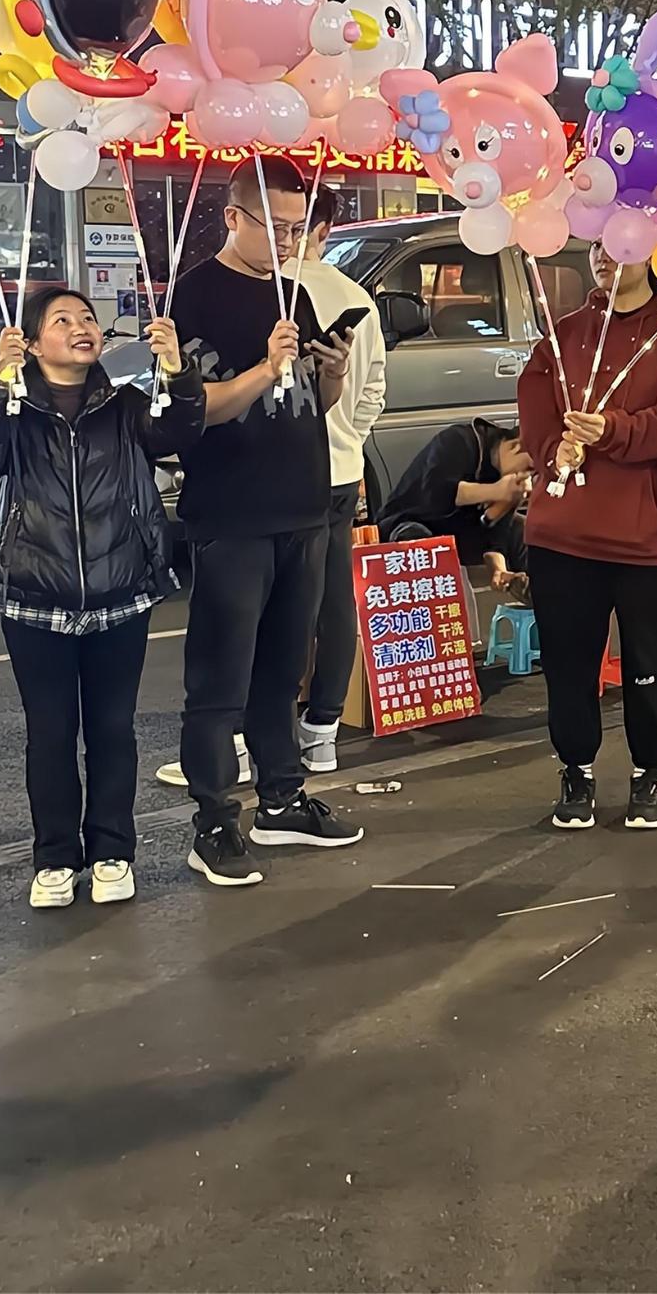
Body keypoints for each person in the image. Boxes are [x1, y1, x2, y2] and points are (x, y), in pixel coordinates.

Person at [0, 287, 204, 909]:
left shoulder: (125, 405)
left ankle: (113, 851)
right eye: (61, 320)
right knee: (51, 734)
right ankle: (56, 858)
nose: (81, 327)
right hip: (34, 595)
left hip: (120, 593)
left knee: (114, 730)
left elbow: (180, 430)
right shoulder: (13, 406)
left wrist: (178, 371)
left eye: (87, 317)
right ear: (33, 343)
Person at [169, 156, 362, 889]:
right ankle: (214, 821)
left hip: (305, 507)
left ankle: (281, 799)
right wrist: (264, 367)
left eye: (296, 229)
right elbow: (195, 411)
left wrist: (331, 367)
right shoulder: (193, 296)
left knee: (282, 672)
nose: (287, 242)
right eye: (275, 227)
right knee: (220, 680)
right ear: (232, 217)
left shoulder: (294, 293)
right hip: (234, 513)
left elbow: (316, 400)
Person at [519, 241, 657, 834]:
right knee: (568, 665)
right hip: (563, 533)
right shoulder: (566, 332)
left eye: (619, 245)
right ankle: (575, 771)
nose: (604, 256)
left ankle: (649, 772)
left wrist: (611, 430)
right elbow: (535, 404)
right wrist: (553, 450)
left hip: (650, 540)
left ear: (652, 253)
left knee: (651, 665)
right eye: (598, 245)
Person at [294, 189, 388, 776]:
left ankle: (254, 735)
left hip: (283, 473)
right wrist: (348, 436)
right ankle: (323, 730)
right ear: (327, 230)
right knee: (334, 601)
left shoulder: (271, 289)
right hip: (342, 471)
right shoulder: (358, 298)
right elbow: (374, 388)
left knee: (277, 605)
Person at [376, 417, 531, 590]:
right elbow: (437, 494)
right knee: (418, 540)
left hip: (461, 532)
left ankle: (542, 595)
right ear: (515, 446)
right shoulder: (459, 440)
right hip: (411, 522)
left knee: (527, 530)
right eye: (529, 468)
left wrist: (498, 571)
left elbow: (496, 536)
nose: (529, 478)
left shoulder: (512, 484)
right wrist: (496, 490)